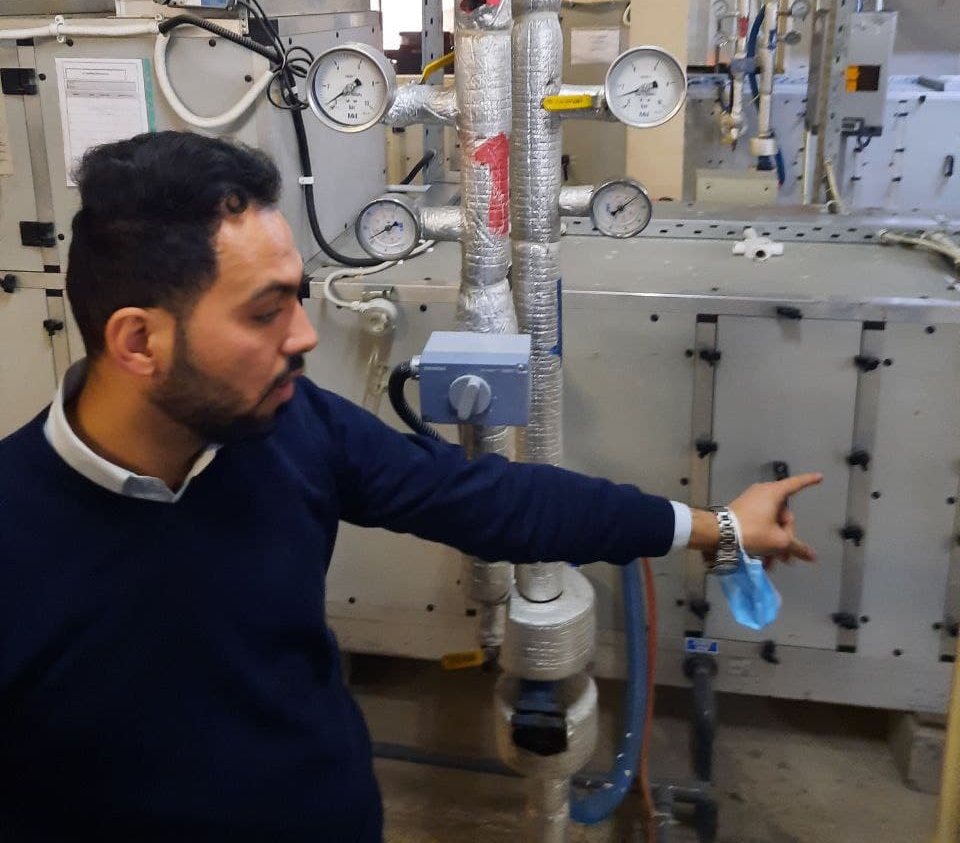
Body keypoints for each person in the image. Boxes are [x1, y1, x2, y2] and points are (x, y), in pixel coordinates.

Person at [0, 132, 821, 842]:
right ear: (137, 342)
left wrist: (715, 526)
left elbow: (490, 501)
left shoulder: (294, 429)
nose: (305, 335)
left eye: (299, 297)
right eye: (265, 312)